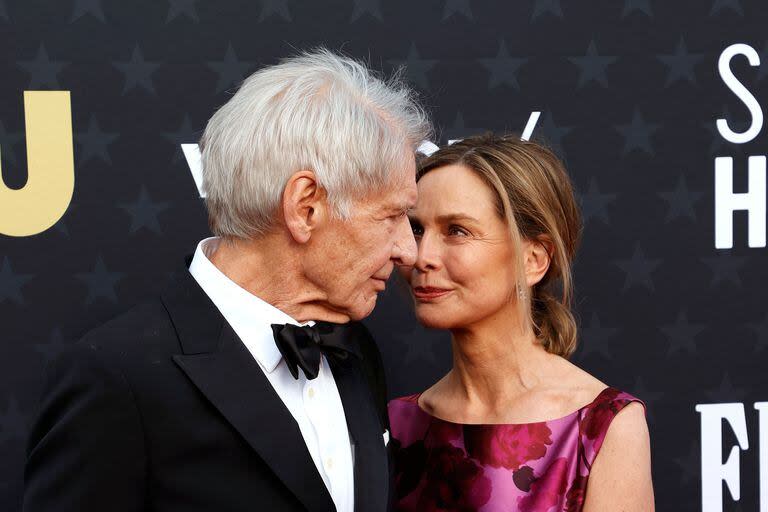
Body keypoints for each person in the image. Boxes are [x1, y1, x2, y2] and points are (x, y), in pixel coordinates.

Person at [23, 49, 431, 512]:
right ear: (305, 207)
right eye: (392, 215)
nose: (408, 252)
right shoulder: (117, 378)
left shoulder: (353, 349)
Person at [388, 134, 654, 511]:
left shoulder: (601, 427)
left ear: (533, 259)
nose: (421, 256)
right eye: (416, 229)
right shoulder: (393, 426)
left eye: (457, 231)